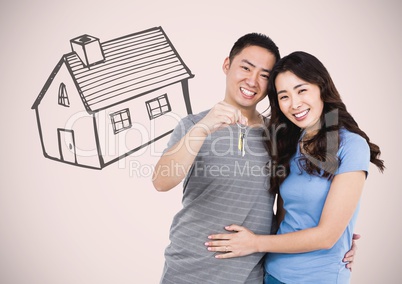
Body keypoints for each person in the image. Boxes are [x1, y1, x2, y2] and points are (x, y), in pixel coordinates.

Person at [153, 34, 358, 284]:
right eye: (246, 67)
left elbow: (293, 203)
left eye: (264, 75)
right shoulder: (193, 125)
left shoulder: (282, 136)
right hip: (189, 270)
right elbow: (161, 182)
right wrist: (204, 128)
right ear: (227, 65)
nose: (252, 81)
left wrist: (339, 240)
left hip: (252, 274)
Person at [205, 51, 385, 283]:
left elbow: (327, 237)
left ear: (321, 88)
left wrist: (255, 242)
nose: (294, 104)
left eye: (302, 90)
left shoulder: (351, 145)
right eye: (284, 96)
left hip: (319, 277)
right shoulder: (288, 143)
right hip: (272, 272)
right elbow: (283, 217)